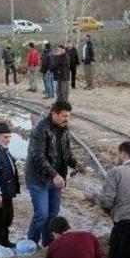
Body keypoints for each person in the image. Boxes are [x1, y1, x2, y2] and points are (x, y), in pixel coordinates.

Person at [25, 100, 84, 246]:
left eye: (68, 116)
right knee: (42, 215)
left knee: (53, 214)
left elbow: (67, 153)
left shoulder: (64, 129)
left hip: (56, 179)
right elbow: (38, 157)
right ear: (54, 114)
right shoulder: (40, 129)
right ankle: (31, 244)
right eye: (64, 116)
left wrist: (76, 164)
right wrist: (54, 175)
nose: (67, 119)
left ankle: (48, 244)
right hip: (39, 178)